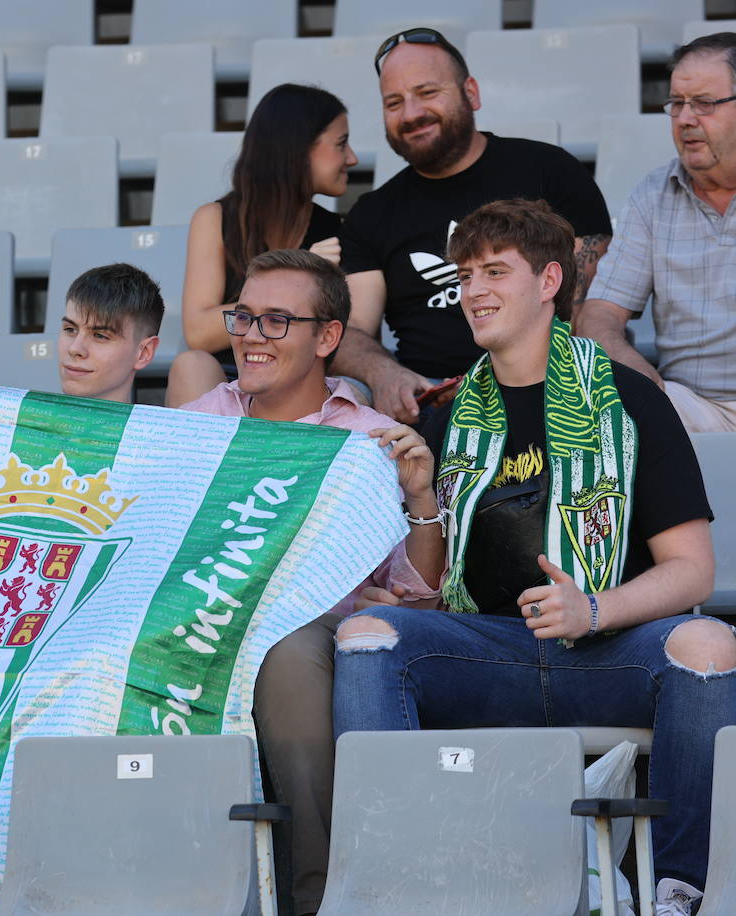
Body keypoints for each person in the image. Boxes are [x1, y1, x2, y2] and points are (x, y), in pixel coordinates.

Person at [333, 199, 733, 915]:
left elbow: (693, 570)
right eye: (465, 274)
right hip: (489, 650)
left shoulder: (632, 401)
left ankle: (677, 890)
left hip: (607, 652)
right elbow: (427, 585)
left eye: (495, 271)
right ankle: (404, 877)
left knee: (709, 644)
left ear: (550, 281)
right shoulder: (449, 412)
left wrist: (594, 608)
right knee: (367, 639)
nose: (473, 291)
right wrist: (423, 495)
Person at [179, 248, 443, 916]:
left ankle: (321, 898)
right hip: (199, 623)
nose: (248, 337)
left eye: (275, 321)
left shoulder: (372, 440)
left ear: (328, 337)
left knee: (291, 649)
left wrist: (419, 502)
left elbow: (413, 597)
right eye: (243, 317)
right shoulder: (198, 424)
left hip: (305, 634)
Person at [335, 27, 613, 425]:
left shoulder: (550, 172)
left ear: (472, 93)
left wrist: (496, 382)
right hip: (427, 399)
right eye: (394, 102)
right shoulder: (372, 212)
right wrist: (385, 373)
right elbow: (352, 330)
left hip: (545, 387)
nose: (411, 114)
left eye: (428, 93)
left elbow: (582, 308)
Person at [576, 32, 736, 433]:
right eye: (677, 103)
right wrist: (638, 376)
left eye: (704, 103)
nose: (685, 118)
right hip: (692, 408)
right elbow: (599, 313)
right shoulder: (653, 193)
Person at [167, 83, 359, 407]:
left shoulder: (340, 231)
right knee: (191, 364)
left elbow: (340, 340)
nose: (351, 159)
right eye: (341, 144)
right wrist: (297, 270)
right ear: (298, 150)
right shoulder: (215, 218)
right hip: (232, 374)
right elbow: (197, 332)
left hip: (300, 376)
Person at [58, 263, 163, 403]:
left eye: (100, 336)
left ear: (144, 353)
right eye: (70, 329)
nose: (74, 349)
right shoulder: (19, 421)